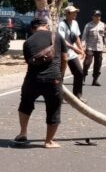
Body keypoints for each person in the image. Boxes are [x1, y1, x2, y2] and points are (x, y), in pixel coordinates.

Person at [16, 17, 68, 148]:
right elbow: (65, 59)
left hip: (32, 80)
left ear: (33, 28)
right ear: (46, 25)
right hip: (53, 79)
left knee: (25, 104)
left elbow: (29, 62)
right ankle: (48, 141)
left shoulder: (27, 42)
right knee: (53, 108)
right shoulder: (57, 37)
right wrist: (60, 76)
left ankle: (23, 133)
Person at [57, 5, 86, 102]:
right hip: (62, 53)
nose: (75, 14)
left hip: (71, 53)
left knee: (79, 73)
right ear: (67, 14)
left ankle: (77, 95)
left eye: (76, 12)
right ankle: (58, 95)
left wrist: (81, 49)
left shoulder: (75, 23)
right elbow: (62, 40)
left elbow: (77, 37)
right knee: (60, 75)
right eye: (73, 12)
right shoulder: (61, 24)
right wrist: (74, 48)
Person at [82, 10, 106, 87]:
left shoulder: (103, 25)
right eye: (96, 16)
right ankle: (83, 75)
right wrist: (83, 45)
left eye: (99, 16)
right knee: (87, 62)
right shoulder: (88, 25)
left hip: (99, 47)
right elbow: (84, 36)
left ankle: (95, 80)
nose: (98, 17)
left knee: (98, 64)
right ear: (93, 17)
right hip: (90, 47)